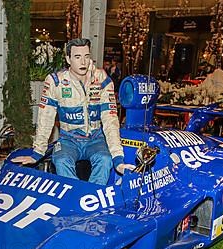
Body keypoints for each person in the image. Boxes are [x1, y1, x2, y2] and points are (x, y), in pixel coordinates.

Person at [12, 38, 134, 185]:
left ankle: (92, 198)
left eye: (86, 56)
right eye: (77, 57)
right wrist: (37, 153)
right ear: (68, 59)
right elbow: (45, 118)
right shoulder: (55, 81)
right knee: (61, 160)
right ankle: (74, 198)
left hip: (95, 139)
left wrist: (118, 159)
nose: (83, 62)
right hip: (68, 139)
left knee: (105, 159)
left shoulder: (101, 79)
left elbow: (110, 120)